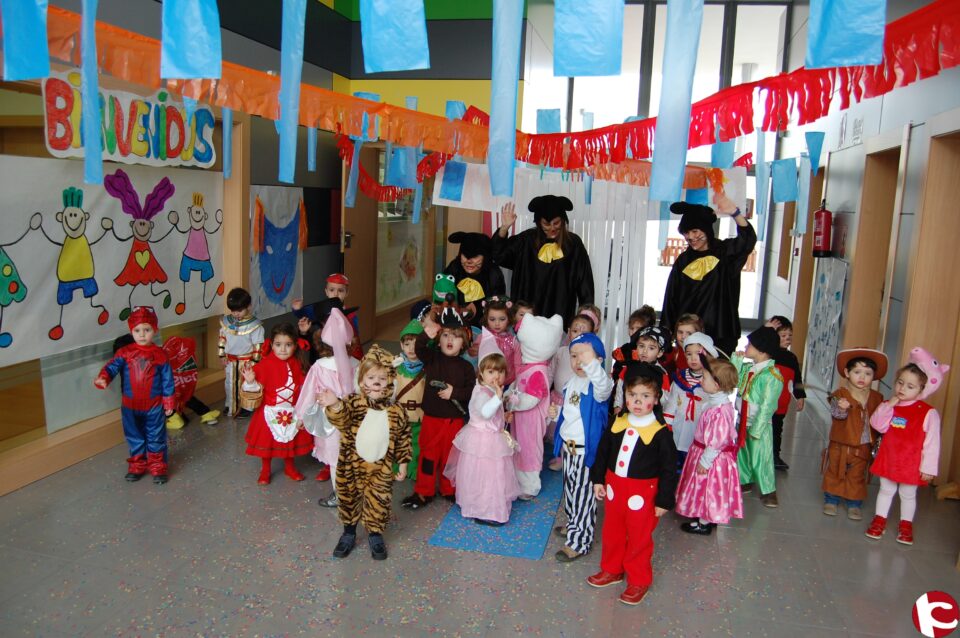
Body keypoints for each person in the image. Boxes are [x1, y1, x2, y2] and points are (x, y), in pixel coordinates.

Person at [587, 363, 677, 606]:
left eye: (645, 396)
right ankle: (612, 569)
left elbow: (669, 469)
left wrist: (664, 501)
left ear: (656, 399)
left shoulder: (661, 433)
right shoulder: (617, 422)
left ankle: (639, 580)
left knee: (639, 537)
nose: (637, 401)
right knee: (612, 531)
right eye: (632, 394)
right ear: (624, 395)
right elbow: (602, 453)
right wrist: (598, 479)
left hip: (643, 494)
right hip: (615, 488)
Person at [315, 345, 411, 560]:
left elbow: (404, 437)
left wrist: (403, 463)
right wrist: (335, 404)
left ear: (390, 381)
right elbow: (341, 419)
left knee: (379, 501)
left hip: (381, 469)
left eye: (382, 378)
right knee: (348, 498)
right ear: (361, 380)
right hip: (351, 466)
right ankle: (348, 533)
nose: (376, 383)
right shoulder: (353, 402)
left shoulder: (396, 411)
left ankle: (375, 534)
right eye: (371, 378)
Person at [865, 347, 949, 546]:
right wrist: (889, 406)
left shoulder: (928, 412)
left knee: (908, 494)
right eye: (900, 383)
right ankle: (879, 520)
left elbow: (932, 443)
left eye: (910, 386)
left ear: (921, 389)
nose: (902, 388)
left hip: (911, 463)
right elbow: (877, 424)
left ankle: (906, 525)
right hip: (889, 458)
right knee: (885, 490)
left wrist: (928, 468)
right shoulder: (889, 404)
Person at [661, 193, 757, 356]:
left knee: (718, 371)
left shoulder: (725, 252)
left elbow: (747, 240)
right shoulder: (683, 260)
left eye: (695, 231)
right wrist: (667, 331)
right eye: (686, 233)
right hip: (689, 333)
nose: (691, 237)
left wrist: (735, 213)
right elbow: (671, 298)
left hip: (720, 331)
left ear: (706, 229)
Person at [401, 306, 476, 509]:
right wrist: (427, 333)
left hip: (454, 421)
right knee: (428, 456)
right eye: (445, 335)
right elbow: (419, 348)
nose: (450, 339)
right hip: (432, 420)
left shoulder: (467, 368)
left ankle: (448, 489)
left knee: (450, 457)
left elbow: (472, 392)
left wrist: (454, 393)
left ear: (463, 342)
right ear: (439, 339)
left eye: (456, 336)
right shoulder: (432, 358)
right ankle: (423, 491)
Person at [444, 329, 520, 526]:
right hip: (482, 442)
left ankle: (492, 508)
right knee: (484, 476)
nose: (497, 376)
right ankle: (483, 509)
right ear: (481, 373)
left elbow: (493, 414)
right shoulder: (480, 392)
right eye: (491, 372)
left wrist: (503, 416)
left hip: (492, 438)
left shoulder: (491, 389)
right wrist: (498, 398)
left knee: (495, 476)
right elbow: (485, 412)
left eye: (501, 372)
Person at [550, 332, 613, 562]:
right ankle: (574, 524)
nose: (578, 361)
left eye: (585, 356)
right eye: (574, 356)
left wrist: (591, 364)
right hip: (569, 449)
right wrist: (556, 413)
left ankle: (580, 541)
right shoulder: (572, 382)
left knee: (583, 497)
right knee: (571, 492)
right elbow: (571, 414)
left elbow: (603, 383)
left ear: (598, 360)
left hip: (585, 452)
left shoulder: (599, 386)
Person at [94, 307, 175, 484]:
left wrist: (169, 402)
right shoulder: (124, 352)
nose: (142, 334)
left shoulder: (160, 354)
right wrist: (104, 377)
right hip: (130, 406)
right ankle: (137, 466)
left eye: (147, 330)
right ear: (131, 331)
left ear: (155, 330)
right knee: (134, 436)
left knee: (156, 436)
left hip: (154, 406)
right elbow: (112, 367)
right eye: (137, 330)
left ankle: (158, 467)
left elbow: (167, 380)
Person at [493, 197, 594, 327]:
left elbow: (585, 281)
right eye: (546, 224)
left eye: (556, 223)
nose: (552, 228)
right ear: (538, 222)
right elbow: (499, 255)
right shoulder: (526, 240)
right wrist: (504, 227)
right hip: (528, 311)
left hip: (560, 310)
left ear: (563, 221)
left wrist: (587, 314)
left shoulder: (573, 244)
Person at [675, 355, 743, 535]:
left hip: (711, 457)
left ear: (717, 385)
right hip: (704, 451)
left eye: (704, 378)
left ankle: (704, 522)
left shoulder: (720, 411)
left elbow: (717, 440)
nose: (701, 381)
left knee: (707, 488)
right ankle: (706, 516)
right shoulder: (715, 403)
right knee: (704, 486)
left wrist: (705, 461)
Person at [240, 323, 313, 485]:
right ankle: (265, 469)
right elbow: (253, 392)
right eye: (278, 344)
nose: (283, 349)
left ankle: (290, 467)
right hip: (269, 412)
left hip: (291, 411)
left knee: (289, 441)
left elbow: (305, 389)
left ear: (295, 345)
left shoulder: (298, 363)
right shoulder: (264, 365)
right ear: (271, 345)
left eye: (288, 345)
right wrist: (251, 382)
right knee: (267, 442)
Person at [295, 308, 357, 499]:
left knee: (334, 457)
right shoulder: (357, 364)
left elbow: (309, 392)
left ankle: (339, 495)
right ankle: (353, 491)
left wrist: (300, 416)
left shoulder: (320, 367)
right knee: (352, 455)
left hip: (329, 419)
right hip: (353, 417)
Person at [822, 348, 887, 520]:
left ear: (874, 376)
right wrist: (841, 409)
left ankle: (854, 503)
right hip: (840, 443)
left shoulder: (877, 397)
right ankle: (831, 500)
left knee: (857, 474)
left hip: (863, 445)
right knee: (835, 471)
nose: (862, 377)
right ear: (847, 373)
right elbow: (837, 415)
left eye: (868, 373)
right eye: (857, 372)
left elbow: (881, 419)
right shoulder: (839, 394)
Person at [506, 313, 564, 499]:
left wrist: (512, 402)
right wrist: (509, 394)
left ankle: (530, 485)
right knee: (518, 446)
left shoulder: (538, 372)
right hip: (521, 419)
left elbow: (531, 399)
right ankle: (518, 479)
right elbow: (517, 384)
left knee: (529, 449)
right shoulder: (528, 367)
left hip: (531, 421)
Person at [732, 327, 784, 508]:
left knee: (761, 457)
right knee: (742, 454)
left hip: (758, 424)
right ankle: (744, 480)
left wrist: (757, 428)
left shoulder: (772, 375)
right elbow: (733, 381)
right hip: (742, 420)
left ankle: (769, 490)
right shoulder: (747, 368)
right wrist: (736, 361)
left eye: (749, 345)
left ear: (762, 350)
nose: (745, 347)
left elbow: (768, 405)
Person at [663, 333, 718, 471]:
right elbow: (672, 403)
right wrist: (667, 425)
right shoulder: (680, 378)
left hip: (699, 429)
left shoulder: (711, 381)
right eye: (689, 354)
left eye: (698, 354)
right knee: (676, 457)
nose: (693, 358)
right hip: (679, 426)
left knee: (694, 460)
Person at [293, 273, 362, 360]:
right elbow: (303, 314)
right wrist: (297, 309)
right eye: (332, 290)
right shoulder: (319, 310)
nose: (336, 294)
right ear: (326, 291)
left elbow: (355, 339)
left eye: (340, 290)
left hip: (343, 356)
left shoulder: (351, 316)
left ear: (346, 293)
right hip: (320, 356)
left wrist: (356, 359)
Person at [767, 316, 806, 471]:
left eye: (790, 335)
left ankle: (774, 456)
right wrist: (766, 328)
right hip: (764, 401)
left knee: (777, 430)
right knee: (759, 428)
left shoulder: (792, 358)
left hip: (781, 403)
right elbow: (755, 342)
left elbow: (797, 378)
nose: (787, 338)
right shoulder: (767, 353)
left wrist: (800, 396)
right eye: (783, 335)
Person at [218, 287, 264, 418]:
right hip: (230, 360)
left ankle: (246, 407)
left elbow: (258, 346)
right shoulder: (226, 322)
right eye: (233, 311)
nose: (236, 314)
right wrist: (221, 354)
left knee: (246, 384)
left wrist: (254, 362)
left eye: (239, 310)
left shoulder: (255, 326)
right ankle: (230, 404)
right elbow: (222, 338)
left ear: (248, 306)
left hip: (246, 361)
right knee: (229, 383)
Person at [444, 232, 506, 325]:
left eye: (475, 257)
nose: (469, 262)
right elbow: (442, 292)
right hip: (454, 323)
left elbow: (498, 306)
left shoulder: (493, 273)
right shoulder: (455, 267)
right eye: (465, 256)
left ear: (485, 257)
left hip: (485, 325)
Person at [612, 325, 671, 414]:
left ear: (660, 353)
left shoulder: (661, 373)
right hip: (627, 414)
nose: (645, 351)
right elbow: (620, 391)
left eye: (651, 348)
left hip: (650, 417)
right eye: (641, 346)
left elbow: (664, 400)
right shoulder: (629, 368)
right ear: (636, 347)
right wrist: (617, 407)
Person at [394, 319, 426, 481]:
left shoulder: (427, 368)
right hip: (400, 413)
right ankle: (396, 467)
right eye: (407, 344)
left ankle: (413, 469)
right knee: (399, 441)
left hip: (419, 414)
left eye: (416, 344)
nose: (411, 349)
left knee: (416, 442)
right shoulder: (396, 367)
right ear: (401, 345)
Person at [610, 306, 657, 382]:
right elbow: (617, 368)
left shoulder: (653, 351)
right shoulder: (625, 349)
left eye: (638, 329)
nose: (633, 332)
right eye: (631, 328)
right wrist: (616, 377)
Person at [481, 298, 519, 386]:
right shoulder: (484, 337)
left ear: (509, 319)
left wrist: (517, 384)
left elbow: (518, 365)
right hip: (488, 384)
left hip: (509, 384)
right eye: (492, 319)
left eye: (502, 319)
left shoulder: (514, 341)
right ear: (486, 319)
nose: (497, 323)